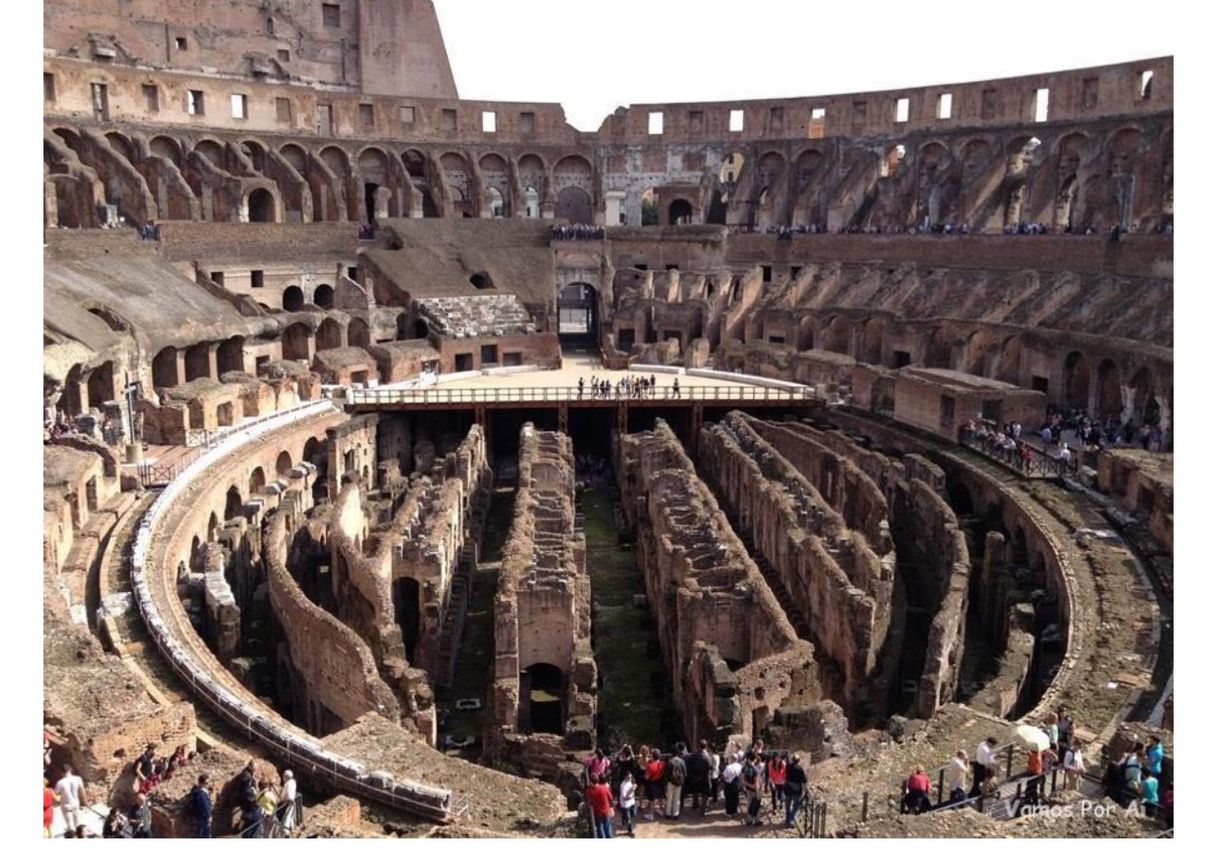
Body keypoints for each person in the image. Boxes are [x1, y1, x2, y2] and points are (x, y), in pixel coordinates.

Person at [56, 763, 88, 834]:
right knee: (77, 822)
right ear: (70, 770)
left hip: (65, 805)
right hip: (75, 803)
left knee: (69, 824)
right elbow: (82, 792)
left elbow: (56, 794)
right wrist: (85, 802)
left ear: (62, 772)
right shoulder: (78, 779)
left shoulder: (60, 782)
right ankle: (79, 835)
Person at [586, 775, 615, 839]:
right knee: (608, 828)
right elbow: (611, 798)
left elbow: (589, 802)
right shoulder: (604, 788)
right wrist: (612, 808)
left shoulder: (589, 791)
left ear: (591, 781)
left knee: (600, 829)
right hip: (606, 811)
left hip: (597, 813)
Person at [783, 754, 807, 828]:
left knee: (788, 803)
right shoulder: (800, 768)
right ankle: (790, 819)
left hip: (787, 786)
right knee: (796, 804)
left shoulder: (787, 766)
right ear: (798, 761)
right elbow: (804, 780)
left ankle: (787, 819)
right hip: (796, 788)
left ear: (792, 760)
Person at [642, 750, 665, 821]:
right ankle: (660, 810)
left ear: (653, 756)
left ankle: (651, 814)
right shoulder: (663, 763)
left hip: (652, 783)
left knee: (652, 799)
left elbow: (646, 777)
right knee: (660, 796)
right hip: (660, 782)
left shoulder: (650, 765)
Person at [741, 753, 763, 826]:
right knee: (757, 806)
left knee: (749, 804)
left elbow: (742, 778)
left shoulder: (745, 767)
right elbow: (756, 784)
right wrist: (757, 793)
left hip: (748, 790)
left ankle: (749, 820)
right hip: (755, 790)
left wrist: (745, 784)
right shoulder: (755, 770)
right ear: (755, 760)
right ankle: (757, 820)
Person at [665, 748, 687, 819]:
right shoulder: (682, 761)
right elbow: (685, 773)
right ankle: (675, 814)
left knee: (669, 798)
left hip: (670, 782)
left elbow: (667, 773)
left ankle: (668, 813)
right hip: (679, 782)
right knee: (677, 798)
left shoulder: (670, 762)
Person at [189, 774, 213, 839]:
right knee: (205, 835)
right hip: (203, 819)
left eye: (208, 783)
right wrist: (209, 817)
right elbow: (205, 807)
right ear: (201, 783)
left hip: (199, 818)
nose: (207, 785)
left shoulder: (199, 791)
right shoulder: (201, 795)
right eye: (206, 783)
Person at [720, 753, 743, 818]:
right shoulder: (739, 766)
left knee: (728, 798)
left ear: (731, 759)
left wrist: (724, 779)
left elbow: (724, 776)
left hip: (729, 784)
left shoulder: (728, 767)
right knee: (736, 797)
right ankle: (735, 811)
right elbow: (741, 775)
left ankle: (729, 812)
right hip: (736, 783)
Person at [618, 770, 637, 837]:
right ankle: (630, 831)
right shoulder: (623, 786)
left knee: (633, 814)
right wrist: (632, 791)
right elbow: (625, 798)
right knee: (628, 818)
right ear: (625, 777)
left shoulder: (631, 781)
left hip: (632, 803)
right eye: (629, 777)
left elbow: (634, 785)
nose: (630, 778)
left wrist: (633, 789)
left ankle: (623, 821)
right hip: (625, 804)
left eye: (631, 777)